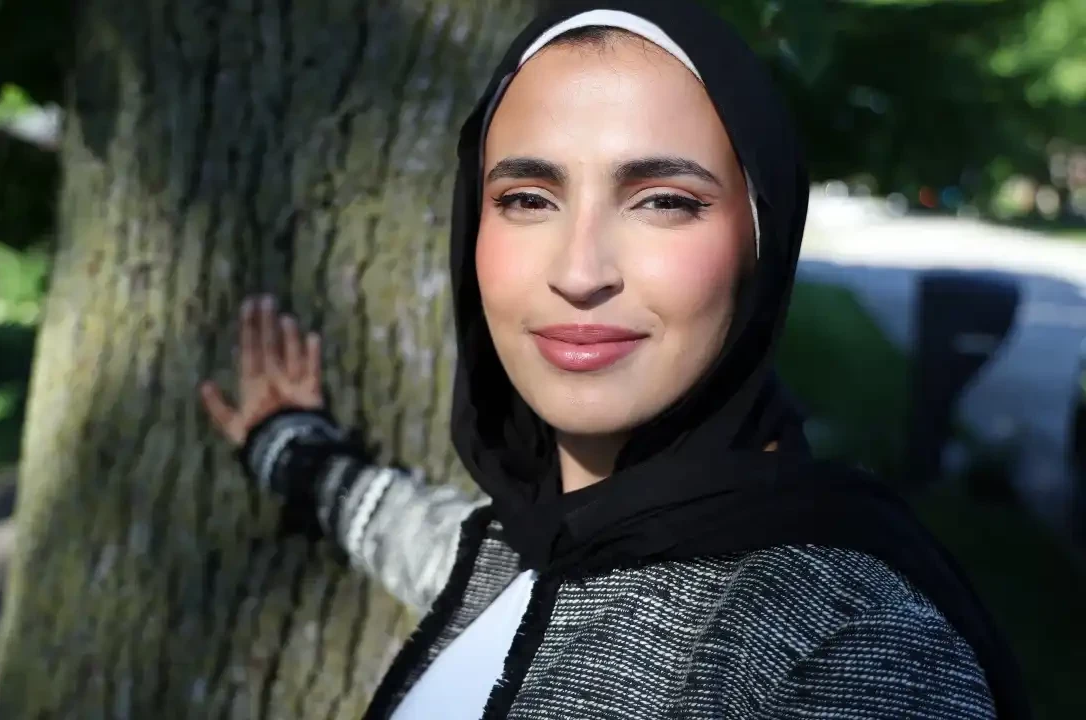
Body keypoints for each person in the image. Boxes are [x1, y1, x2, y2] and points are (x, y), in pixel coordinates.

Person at [200, 1, 1028, 718]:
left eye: (663, 201)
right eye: (528, 199)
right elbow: (436, 544)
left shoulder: (848, 644)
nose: (580, 270)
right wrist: (291, 446)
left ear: (763, 242)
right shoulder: (532, 542)